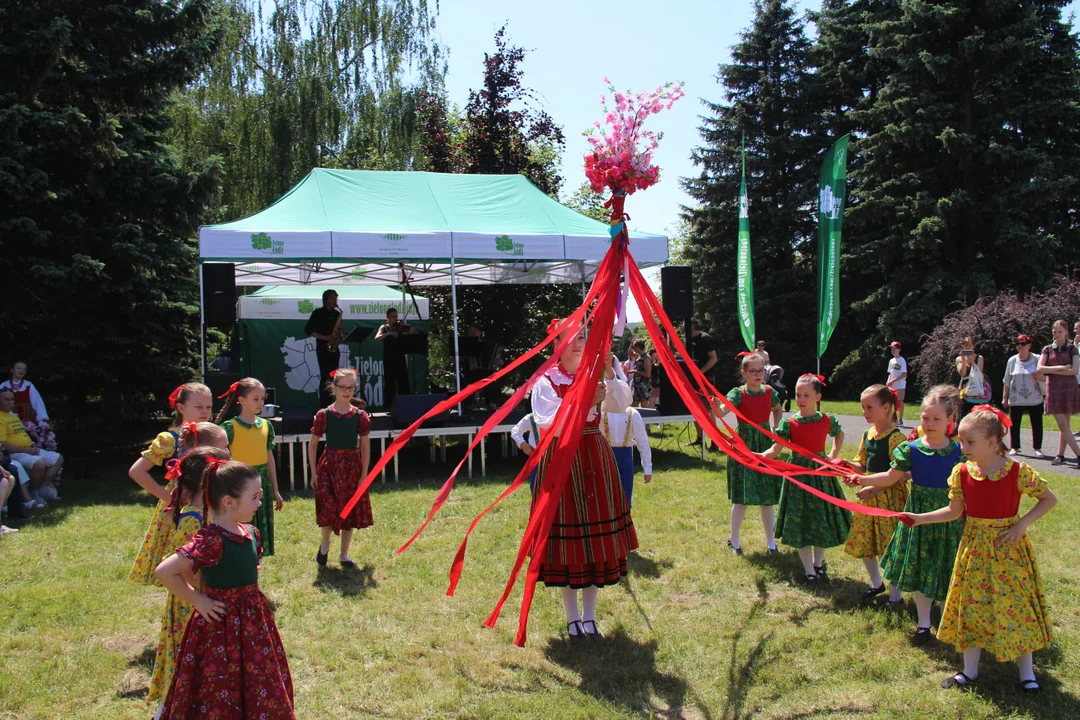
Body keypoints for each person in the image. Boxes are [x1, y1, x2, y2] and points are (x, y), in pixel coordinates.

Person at [906, 406, 1055, 693]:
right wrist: (920, 518)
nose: (963, 448)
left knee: (1015, 608)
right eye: (961, 441)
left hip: (1008, 550)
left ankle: (1027, 674)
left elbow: (1049, 499)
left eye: (970, 442)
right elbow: (953, 511)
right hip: (973, 550)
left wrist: (1021, 525)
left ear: (992, 441)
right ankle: (969, 671)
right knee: (972, 607)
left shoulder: (1016, 472)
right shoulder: (962, 472)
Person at [156, 460, 294, 719]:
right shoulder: (212, 539)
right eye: (254, 498)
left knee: (260, 683)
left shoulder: (250, 532)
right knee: (220, 687)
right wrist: (199, 600)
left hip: (253, 625)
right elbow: (165, 571)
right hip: (219, 628)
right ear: (229, 502)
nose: (259, 504)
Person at [530, 323, 635, 639]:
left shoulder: (595, 374)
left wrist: (608, 372)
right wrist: (588, 401)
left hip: (594, 453)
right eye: (569, 338)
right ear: (557, 344)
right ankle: (572, 617)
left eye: (582, 337)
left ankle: (590, 617)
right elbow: (551, 423)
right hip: (564, 460)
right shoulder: (546, 382)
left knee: (595, 541)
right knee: (570, 545)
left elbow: (620, 404)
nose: (577, 343)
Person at [867, 385, 964, 645]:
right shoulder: (911, 449)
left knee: (946, 566)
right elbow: (891, 477)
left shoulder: (959, 452)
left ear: (949, 420)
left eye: (936, 419)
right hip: (917, 515)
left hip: (948, 517)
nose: (930, 424)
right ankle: (923, 624)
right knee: (922, 568)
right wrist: (862, 478)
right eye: (925, 418)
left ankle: (947, 618)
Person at [147, 447, 231, 714]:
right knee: (188, 664)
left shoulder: (203, 517)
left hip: (196, 602)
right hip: (192, 605)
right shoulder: (193, 521)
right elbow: (185, 571)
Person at [757, 374, 849, 583]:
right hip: (797, 477)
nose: (801, 399)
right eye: (798, 394)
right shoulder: (789, 424)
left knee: (820, 519)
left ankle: (819, 565)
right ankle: (809, 570)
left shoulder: (827, 420)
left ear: (818, 396)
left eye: (807, 395)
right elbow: (775, 449)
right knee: (802, 521)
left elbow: (839, 434)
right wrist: (759, 456)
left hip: (820, 476)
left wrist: (833, 455)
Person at [127, 383, 217, 586]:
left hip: (208, 503)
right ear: (181, 407)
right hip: (180, 508)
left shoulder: (212, 434)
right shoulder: (171, 438)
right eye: (199, 407)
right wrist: (169, 498)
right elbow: (137, 471)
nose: (205, 412)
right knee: (181, 559)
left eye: (208, 407)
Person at [840, 385, 908, 602]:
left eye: (869, 407)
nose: (864, 412)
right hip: (868, 497)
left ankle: (896, 595)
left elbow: (900, 474)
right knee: (865, 541)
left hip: (889, 499)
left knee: (891, 545)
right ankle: (876, 583)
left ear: (886, 407)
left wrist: (872, 487)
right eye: (862, 407)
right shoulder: (867, 434)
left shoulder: (897, 438)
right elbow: (861, 463)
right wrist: (847, 466)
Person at [714, 353, 782, 555]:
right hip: (744, 446)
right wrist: (717, 406)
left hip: (765, 444)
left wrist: (775, 424)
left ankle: (771, 543)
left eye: (760, 370)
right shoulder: (738, 393)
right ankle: (734, 540)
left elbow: (777, 409)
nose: (757, 374)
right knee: (741, 496)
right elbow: (723, 412)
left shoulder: (770, 392)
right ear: (744, 373)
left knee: (767, 496)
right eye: (752, 371)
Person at [308, 368, 372, 569]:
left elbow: (364, 446)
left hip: (351, 466)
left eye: (351, 387)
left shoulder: (360, 416)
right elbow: (312, 445)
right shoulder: (324, 415)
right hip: (330, 465)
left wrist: (364, 475)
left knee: (348, 510)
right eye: (343, 387)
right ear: (333, 388)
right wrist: (313, 472)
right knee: (328, 507)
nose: (347, 391)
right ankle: (325, 546)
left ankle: (344, 555)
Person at [217, 378, 284, 556]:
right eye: (256, 398)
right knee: (239, 523)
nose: (260, 403)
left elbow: (269, 458)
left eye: (262, 398)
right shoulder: (229, 428)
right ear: (242, 400)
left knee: (259, 527)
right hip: (239, 483)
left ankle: (256, 560)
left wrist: (275, 490)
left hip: (262, 482)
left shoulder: (266, 425)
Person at [0, 388, 63, 506]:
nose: (10, 402)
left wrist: (31, 445)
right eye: (6, 399)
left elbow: (19, 434)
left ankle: (42, 489)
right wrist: (27, 450)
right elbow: (3, 444)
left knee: (57, 458)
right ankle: (34, 493)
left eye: (12, 399)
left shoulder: (12, 416)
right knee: (39, 464)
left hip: (30, 448)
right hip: (15, 453)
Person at [1038, 319, 1080, 467]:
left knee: (1065, 425)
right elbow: (1041, 368)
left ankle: (1060, 455)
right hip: (1054, 390)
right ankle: (1078, 454)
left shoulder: (1072, 349)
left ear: (1066, 332)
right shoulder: (1048, 349)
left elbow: (1074, 370)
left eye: (1060, 332)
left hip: (1069, 389)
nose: (1057, 334)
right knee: (1062, 424)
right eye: (1054, 332)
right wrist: (1062, 368)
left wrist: (1053, 370)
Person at [601, 404, 653, 510]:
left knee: (625, 494)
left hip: (625, 457)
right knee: (604, 494)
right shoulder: (600, 412)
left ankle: (625, 521)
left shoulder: (632, 413)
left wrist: (648, 468)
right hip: (604, 456)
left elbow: (642, 441)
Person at [1002, 334, 1045, 457]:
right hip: (1016, 398)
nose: (1020, 346)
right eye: (1018, 344)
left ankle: (1038, 447)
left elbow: (1046, 377)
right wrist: (1005, 397)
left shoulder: (1037, 359)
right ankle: (1014, 447)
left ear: (1029, 345)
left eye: (1023, 343)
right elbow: (1006, 380)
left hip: (1034, 397)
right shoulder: (1012, 360)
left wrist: (1038, 376)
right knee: (1014, 423)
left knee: (1037, 423)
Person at [304, 289, 344, 407]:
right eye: (333, 298)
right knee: (325, 376)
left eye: (336, 298)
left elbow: (340, 333)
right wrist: (326, 338)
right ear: (326, 300)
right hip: (323, 348)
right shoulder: (318, 313)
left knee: (335, 377)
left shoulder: (337, 314)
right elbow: (308, 330)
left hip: (334, 348)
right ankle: (324, 405)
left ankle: (335, 403)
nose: (335, 300)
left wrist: (341, 331)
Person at [375, 307, 413, 408]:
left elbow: (411, 330)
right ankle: (389, 405)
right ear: (387, 318)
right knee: (389, 382)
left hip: (400, 357)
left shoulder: (400, 327)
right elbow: (377, 338)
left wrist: (408, 329)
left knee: (403, 381)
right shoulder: (384, 327)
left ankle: (405, 404)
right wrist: (389, 333)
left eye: (396, 316)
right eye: (392, 317)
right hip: (389, 358)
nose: (395, 319)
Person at [688, 318, 718, 445]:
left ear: (693, 325)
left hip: (706, 379)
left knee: (708, 409)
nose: (683, 326)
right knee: (694, 408)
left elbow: (713, 358)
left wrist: (701, 372)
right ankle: (700, 439)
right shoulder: (688, 340)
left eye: (686, 324)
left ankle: (715, 442)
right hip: (691, 379)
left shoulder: (705, 338)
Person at [955, 337, 989, 418]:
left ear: (973, 347)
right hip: (965, 389)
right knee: (963, 415)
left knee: (976, 416)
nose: (967, 348)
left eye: (969, 345)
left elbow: (978, 373)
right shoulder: (959, 359)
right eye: (965, 346)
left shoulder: (979, 358)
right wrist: (963, 359)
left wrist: (972, 362)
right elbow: (962, 374)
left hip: (976, 388)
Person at [510, 412, 541, 492]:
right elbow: (515, 430)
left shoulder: (561, 413)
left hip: (557, 458)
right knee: (536, 489)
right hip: (537, 460)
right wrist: (523, 444)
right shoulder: (532, 418)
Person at [886, 342, 908, 426]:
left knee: (900, 401)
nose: (892, 350)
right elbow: (890, 373)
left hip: (900, 385)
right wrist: (888, 382)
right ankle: (892, 419)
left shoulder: (901, 360)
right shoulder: (891, 361)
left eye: (894, 348)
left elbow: (904, 374)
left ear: (899, 349)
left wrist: (894, 380)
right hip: (891, 385)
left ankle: (901, 419)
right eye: (891, 348)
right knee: (891, 402)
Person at [627, 339, 653, 407]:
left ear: (638, 347)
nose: (633, 349)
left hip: (644, 386)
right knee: (633, 406)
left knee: (644, 407)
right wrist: (631, 344)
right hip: (637, 386)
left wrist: (635, 371)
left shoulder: (646, 358)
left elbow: (648, 374)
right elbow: (630, 353)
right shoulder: (639, 356)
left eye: (634, 347)